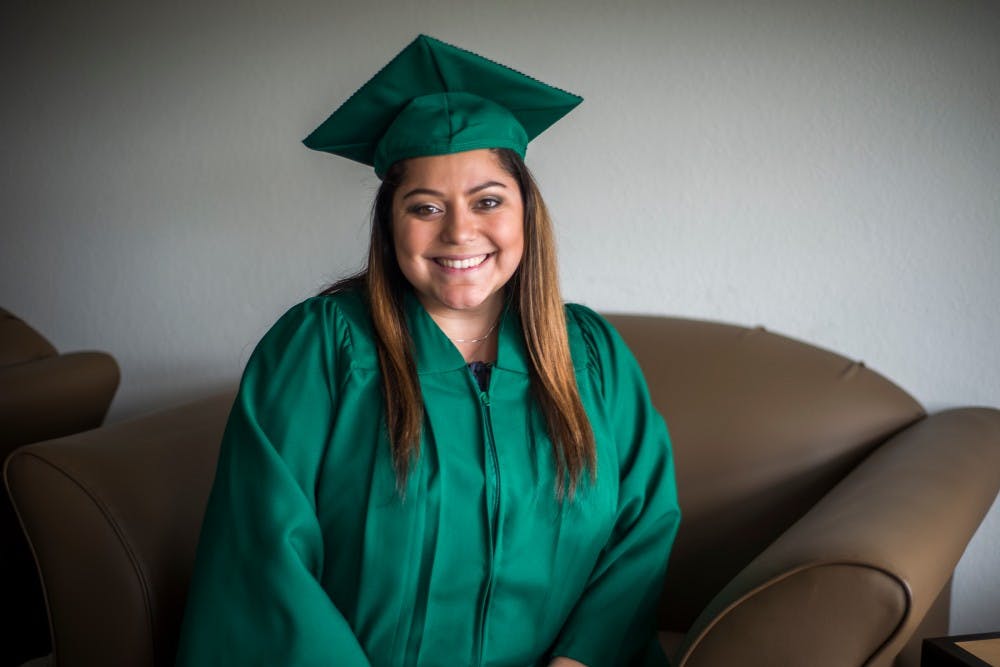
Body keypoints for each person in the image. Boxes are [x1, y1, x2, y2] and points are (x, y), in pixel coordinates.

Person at [176, 34, 680, 667]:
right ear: (392, 222)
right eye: (426, 206)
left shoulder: (592, 357)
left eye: (488, 200)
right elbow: (262, 551)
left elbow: (644, 527)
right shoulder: (321, 349)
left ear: (527, 210)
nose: (459, 231)